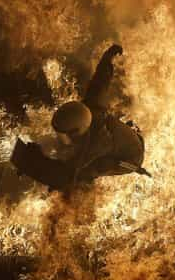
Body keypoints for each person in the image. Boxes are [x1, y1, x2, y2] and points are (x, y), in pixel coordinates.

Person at [10, 43, 150, 191]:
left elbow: (70, 171)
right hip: (119, 136)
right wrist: (108, 57)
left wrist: (35, 167)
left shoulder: (96, 144)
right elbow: (100, 81)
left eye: (62, 134)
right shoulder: (91, 105)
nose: (58, 136)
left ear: (78, 131)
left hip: (129, 159)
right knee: (69, 158)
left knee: (81, 174)